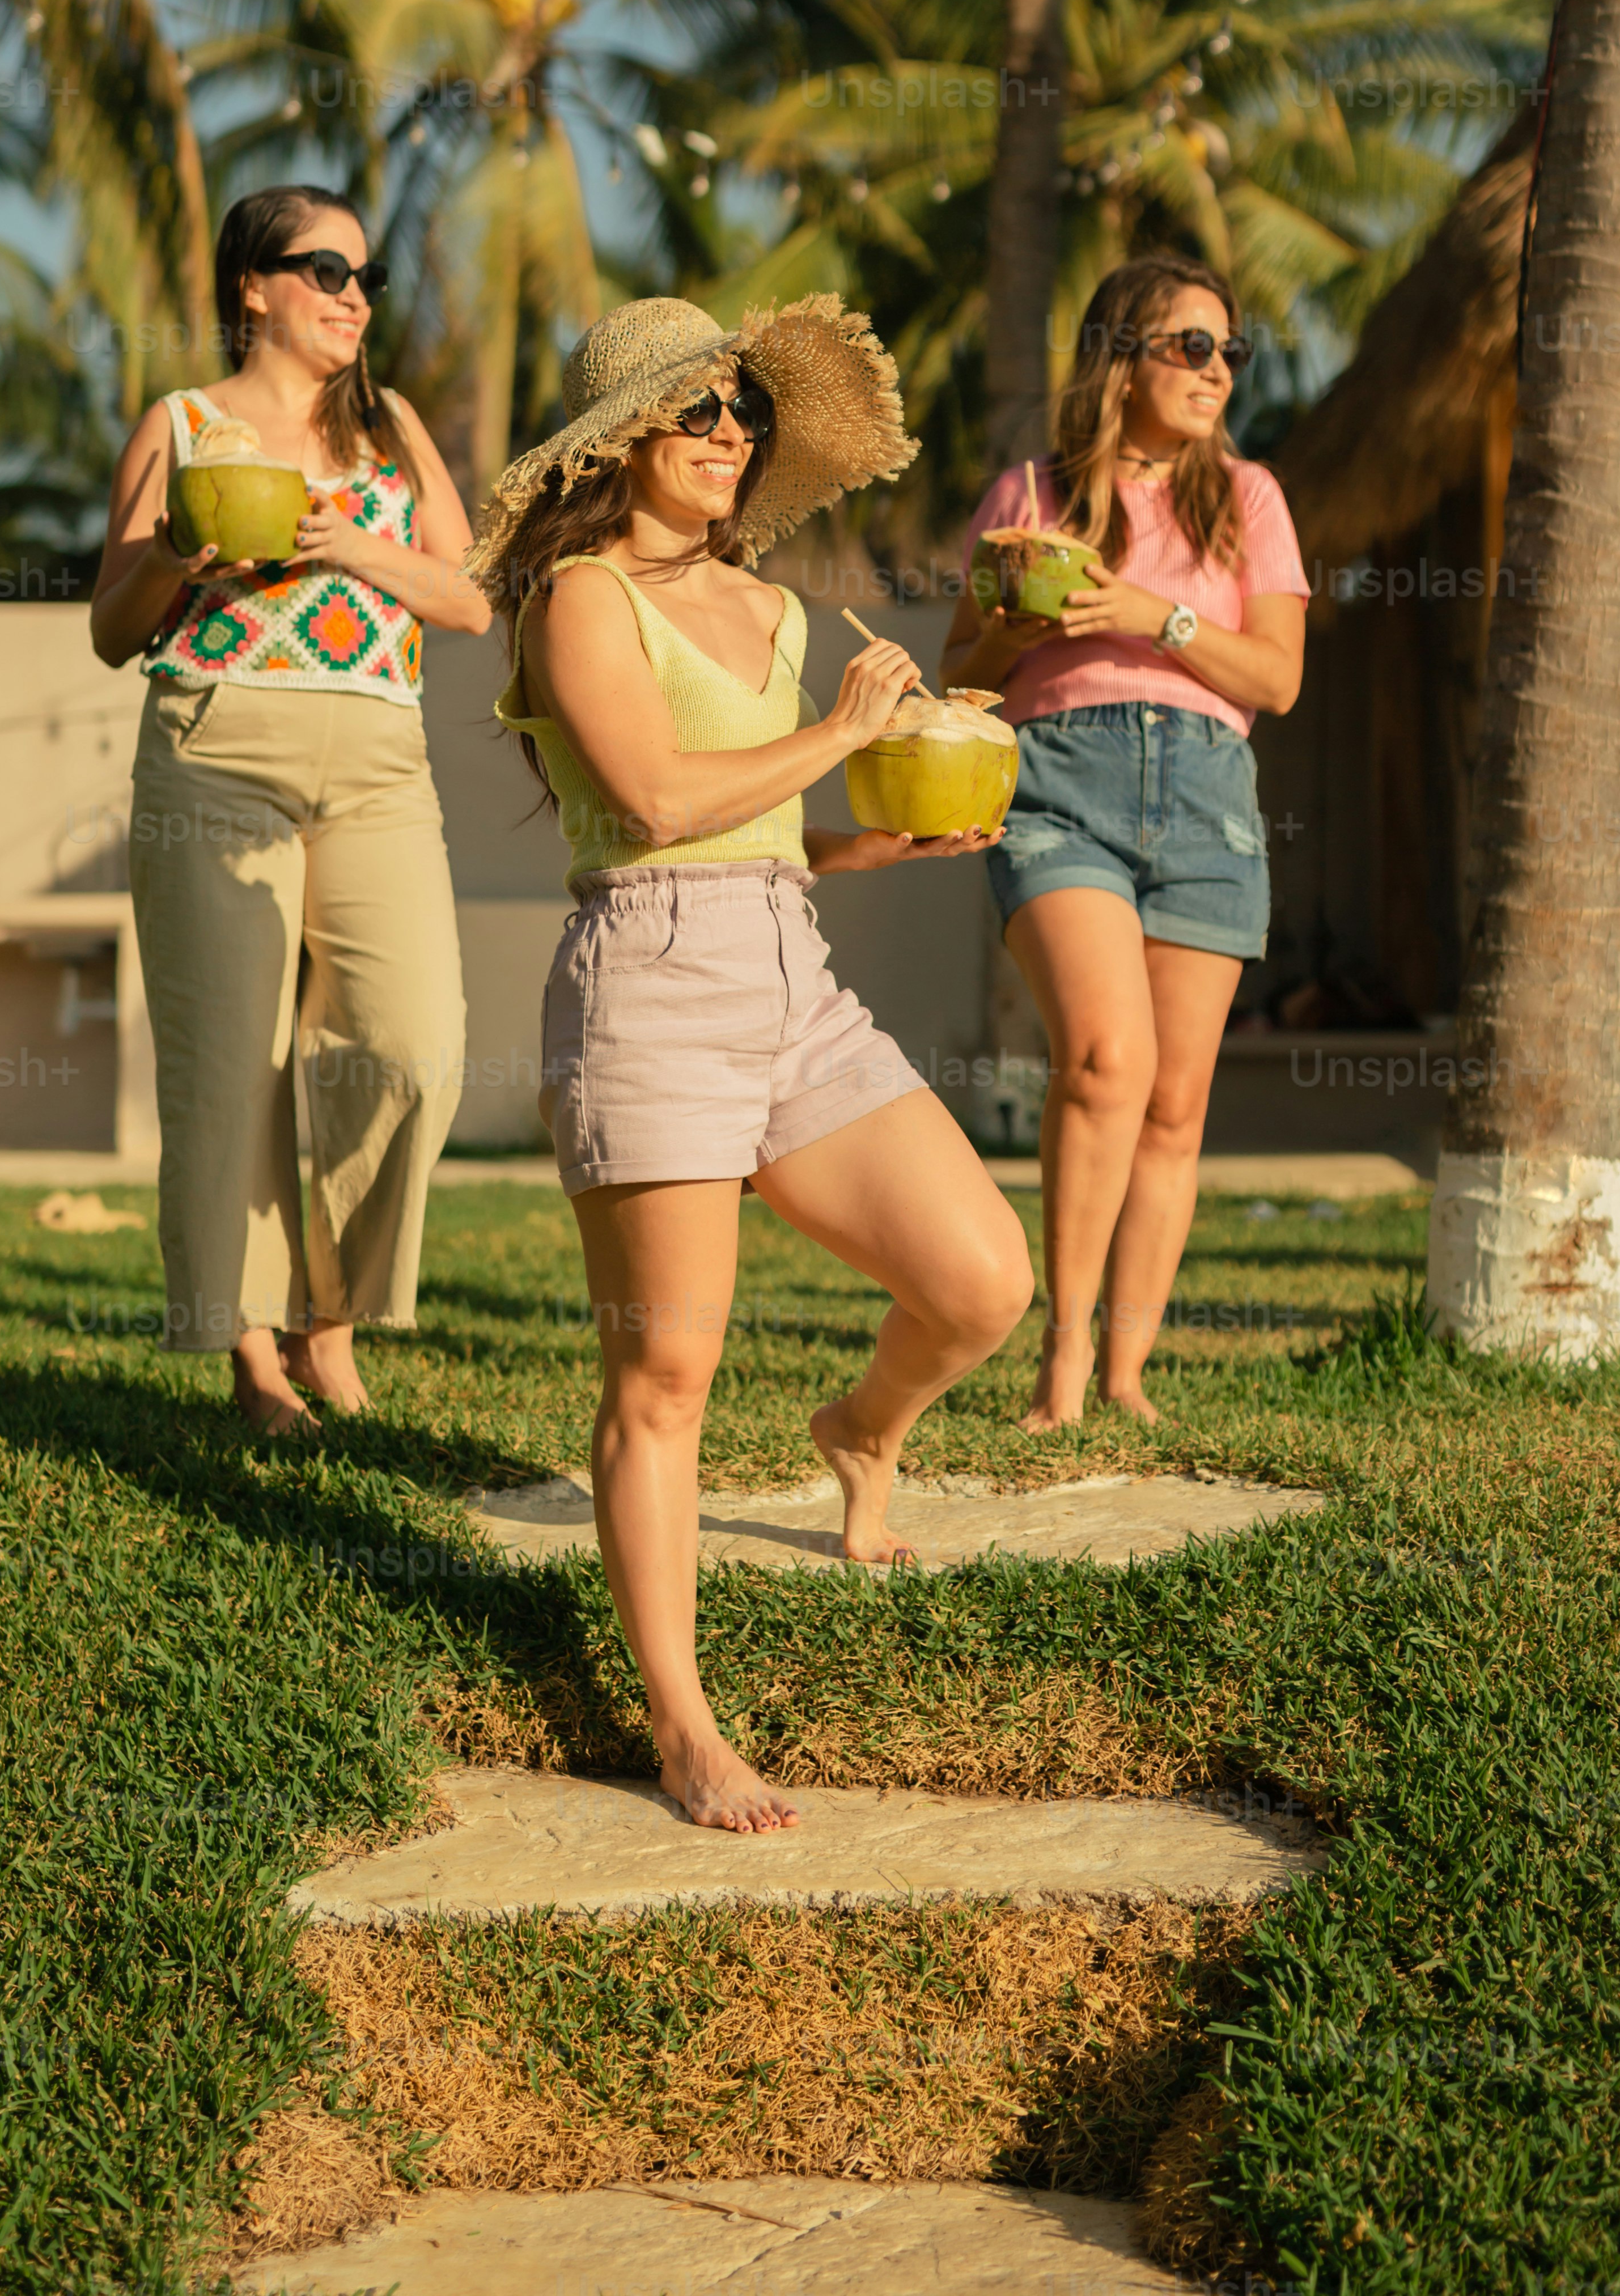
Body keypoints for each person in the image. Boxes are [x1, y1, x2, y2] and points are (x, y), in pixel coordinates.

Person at [474, 293, 1034, 1833]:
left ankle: (860, 1430)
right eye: (699, 411)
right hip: (648, 985)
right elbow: (655, 802)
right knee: (664, 1376)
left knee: (985, 1278)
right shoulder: (582, 599)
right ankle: (682, 1727)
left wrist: (883, 837)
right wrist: (850, 733)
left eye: (743, 414)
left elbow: (754, 824)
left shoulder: (776, 610)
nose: (731, 435)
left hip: (791, 973)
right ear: (620, 443)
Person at [91, 184, 490, 1438]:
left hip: (378, 756)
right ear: (251, 288)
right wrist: (176, 558)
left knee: (413, 1042)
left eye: (366, 278)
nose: (354, 297)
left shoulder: (395, 425)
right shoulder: (184, 422)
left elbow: (468, 601)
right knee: (231, 1067)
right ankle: (256, 1355)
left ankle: (333, 1310)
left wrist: (346, 546)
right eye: (325, 271)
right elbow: (111, 628)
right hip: (215, 742)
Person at [943, 256, 1308, 1430]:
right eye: (1190, 347)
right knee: (1104, 1062)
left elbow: (1279, 679)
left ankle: (1127, 1374)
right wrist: (1015, 629)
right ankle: (1062, 1359)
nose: (1217, 372)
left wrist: (1157, 616)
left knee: (1175, 1103)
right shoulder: (1031, 496)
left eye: (1229, 352)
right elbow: (962, 674)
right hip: (1059, 783)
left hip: (1207, 793)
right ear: (1120, 358)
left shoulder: (1246, 499)